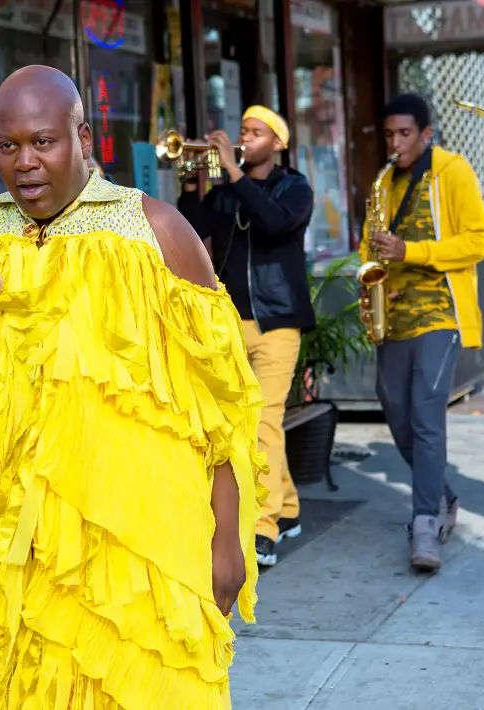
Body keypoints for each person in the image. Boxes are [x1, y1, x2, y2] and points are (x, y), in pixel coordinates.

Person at [0, 66, 267, 709]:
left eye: (43, 141)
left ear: (83, 136)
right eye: (7, 146)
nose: (25, 163)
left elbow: (222, 398)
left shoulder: (157, 234)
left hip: (131, 555)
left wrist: (228, 539)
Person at [177, 106, 316, 569]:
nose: (245, 138)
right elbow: (194, 231)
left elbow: (276, 222)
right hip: (234, 319)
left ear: (277, 143)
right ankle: (290, 507)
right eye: (243, 132)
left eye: (255, 133)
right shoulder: (227, 192)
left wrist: (233, 172)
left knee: (265, 421)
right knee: (248, 422)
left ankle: (265, 526)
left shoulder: (295, 187)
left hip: (279, 322)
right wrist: (192, 179)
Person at [361, 93, 484, 572]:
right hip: (393, 317)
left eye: (405, 134)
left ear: (426, 134)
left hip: (441, 316)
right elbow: (369, 245)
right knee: (395, 410)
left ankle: (425, 524)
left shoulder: (451, 171)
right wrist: (372, 280)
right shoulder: (384, 183)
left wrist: (410, 252)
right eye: (389, 134)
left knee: (425, 414)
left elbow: (479, 241)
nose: (395, 143)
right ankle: (441, 493)